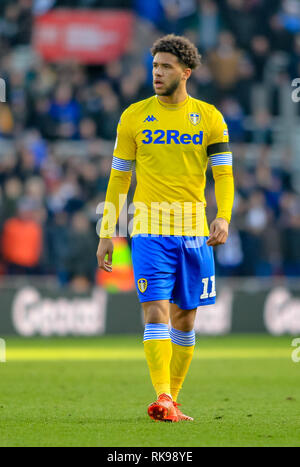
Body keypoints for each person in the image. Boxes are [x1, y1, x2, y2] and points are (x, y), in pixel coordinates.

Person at [96, 34, 234, 422]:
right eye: (154, 66)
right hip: (149, 229)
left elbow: (224, 175)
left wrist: (223, 215)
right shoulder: (134, 116)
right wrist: (108, 231)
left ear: (186, 72)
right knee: (156, 312)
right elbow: (119, 179)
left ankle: (171, 398)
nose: (156, 73)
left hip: (194, 232)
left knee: (185, 319)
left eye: (166, 67)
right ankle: (162, 396)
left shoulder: (209, 118)